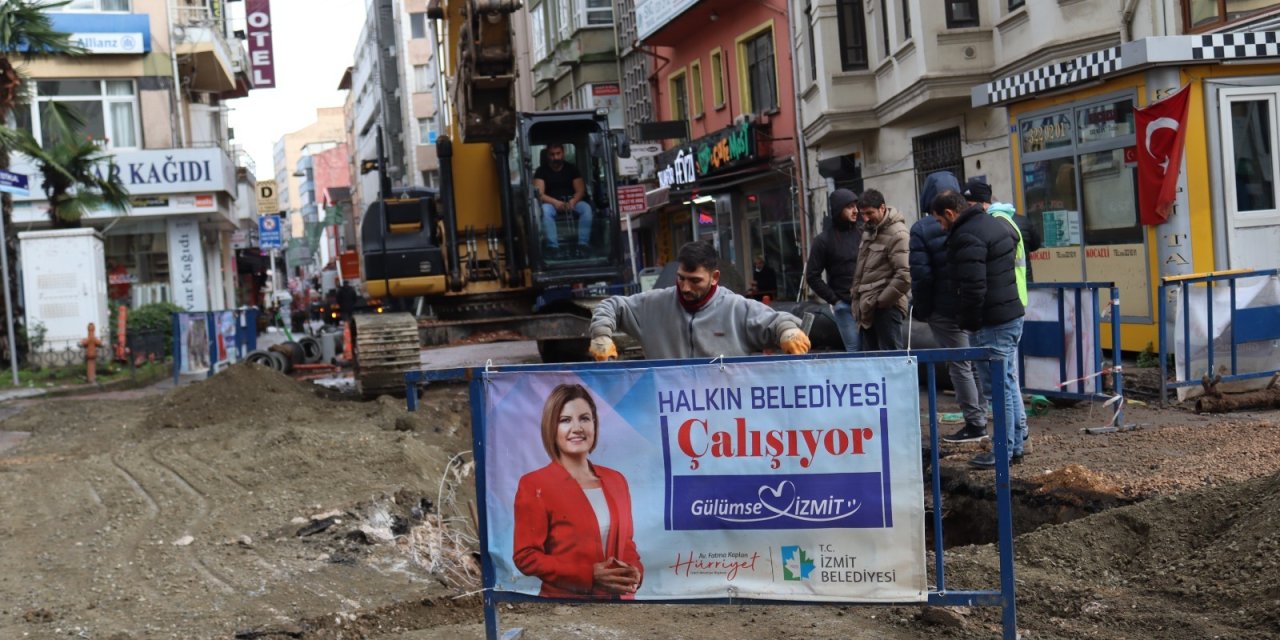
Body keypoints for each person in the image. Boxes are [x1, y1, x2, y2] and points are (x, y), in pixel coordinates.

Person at [512, 383, 643, 598]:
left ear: (594, 424)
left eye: (584, 418)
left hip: (621, 609)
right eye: (565, 420)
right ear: (551, 428)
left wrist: (635, 571)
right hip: (565, 609)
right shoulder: (535, 484)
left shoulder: (616, 480)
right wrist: (588, 575)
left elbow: (626, 543)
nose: (577, 428)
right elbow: (526, 557)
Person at [588, 240, 811, 360]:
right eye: (681, 278)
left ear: (714, 278)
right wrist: (601, 334)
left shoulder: (736, 308)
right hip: (667, 415)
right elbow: (612, 305)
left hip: (724, 419)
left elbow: (776, 320)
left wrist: (787, 331)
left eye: (695, 281)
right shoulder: (653, 305)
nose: (685, 287)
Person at [931, 191, 1026, 469]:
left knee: (997, 388)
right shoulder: (995, 224)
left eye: (939, 220)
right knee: (1007, 384)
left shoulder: (967, 235)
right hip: (1010, 313)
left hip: (991, 321)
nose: (940, 227)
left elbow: (973, 288)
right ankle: (1015, 445)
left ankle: (1003, 453)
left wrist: (969, 322)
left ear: (950, 213)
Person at [911, 172, 987, 443]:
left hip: (942, 309)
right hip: (971, 304)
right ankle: (983, 412)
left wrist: (923, 309)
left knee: (959, 364)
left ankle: (975, 423)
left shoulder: (922, 228)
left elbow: (922, 276)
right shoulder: (976, 222)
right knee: (975, 361)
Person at [849, 189, 910, 351]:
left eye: (870, 213)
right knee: (871, 365)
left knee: (892, 362)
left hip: (886, 309)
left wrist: (881, 302)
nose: (866, 218)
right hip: (867, 308)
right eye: (863, 214)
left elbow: (904, 275)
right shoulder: (869, 230)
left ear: (882, 208)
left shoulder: (898, 234)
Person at [805, 188, 862, 352]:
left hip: (868, 304)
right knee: (855, 350)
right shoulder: (823, 240)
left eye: (855, 206)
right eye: (849, 206)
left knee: (873, 349)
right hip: (844, 306)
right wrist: (835, 300)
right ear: (838, 209)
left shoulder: (862, 233)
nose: (855, 211)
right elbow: (812, 276)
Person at [534, 143, 593, 251]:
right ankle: (553, 246)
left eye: (558, 154)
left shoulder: (572, 169)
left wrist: (572, 202)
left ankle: (583, 244)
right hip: (550, 204)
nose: (555, 157)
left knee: (586, 208)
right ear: (547, 155)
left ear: (563, 153)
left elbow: (580, 190)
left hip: (571, 202)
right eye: (552, 154)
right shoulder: (540, 171)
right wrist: (556, 203)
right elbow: (540, 194)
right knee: (545, 211)